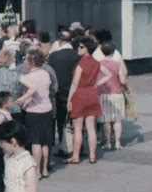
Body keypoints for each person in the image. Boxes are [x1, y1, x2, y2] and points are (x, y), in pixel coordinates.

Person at [66, 37, 111, 165]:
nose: (78, 49)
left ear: (87, 49)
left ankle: (75, 156)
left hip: (79, 95)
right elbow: (108, 74)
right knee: (91, 128)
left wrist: (69, 99)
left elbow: (74, 84)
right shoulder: (96, 63)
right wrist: (97, 83)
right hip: (92, 94)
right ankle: (92, 156)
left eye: (81, 47)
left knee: (78, 129)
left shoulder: (80, 65)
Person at [17, 49, 54, 179]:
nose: (24, 61)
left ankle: (37, 170)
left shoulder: (28, 77)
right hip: (47, 109)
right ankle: (44, 169)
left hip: (33, 111)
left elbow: (23, 92)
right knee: (45, 142)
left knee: (35, 142)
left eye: (26, 59)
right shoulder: (46, 73)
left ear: (31, 62)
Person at [47, 31, 78, 158]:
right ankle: (78, 147)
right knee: (76, 120)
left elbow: (50, 75)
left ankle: (63, 146)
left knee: (61, 120)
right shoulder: (78, 54)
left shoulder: (54, 56)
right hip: (75, 91)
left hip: (59, 92)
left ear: (59, 41)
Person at [97, 42, 128, 151]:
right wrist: (127, 89)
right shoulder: (117, 64)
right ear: (114, 51)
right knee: (117, 119)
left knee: (106, 120)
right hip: (117, 93)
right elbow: (123, 80)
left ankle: (108, 143)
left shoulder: (98, 63)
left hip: (103, 94)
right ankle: (118, 143)